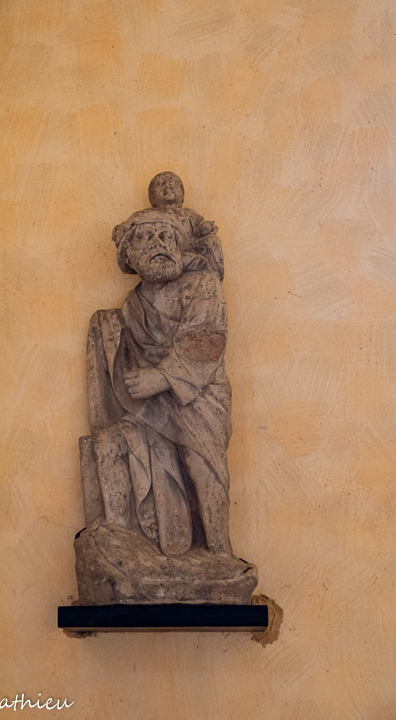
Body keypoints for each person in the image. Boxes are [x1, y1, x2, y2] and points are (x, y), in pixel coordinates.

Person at [87, 209, 233, 556]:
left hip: (199, 396)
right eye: (146, 238)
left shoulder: (202, 285)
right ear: (129, 255)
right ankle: (150, 541)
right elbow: (130, 356)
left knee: (201, 464)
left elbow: (207, 339)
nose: (159, 244)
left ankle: (219, 552)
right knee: (121, 443)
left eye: (166, 237)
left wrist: (162, 377)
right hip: (153, 406)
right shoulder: (133, 304)